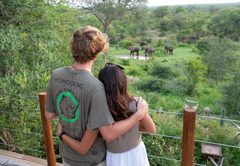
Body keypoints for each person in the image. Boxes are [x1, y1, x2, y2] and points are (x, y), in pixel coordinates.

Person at [45, 25, 148, 166]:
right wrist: (138, 115)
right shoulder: (96, 87)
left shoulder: (56, 74)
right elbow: (109, 134)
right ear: (97, 51)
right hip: (93, 160)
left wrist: (63, 131)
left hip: (67, 156)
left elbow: (49, 115)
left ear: (73, 48)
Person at [57, 63, 156, 166]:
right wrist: (135, 120)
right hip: (137, 153)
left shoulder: (98, 108)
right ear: (123, 82)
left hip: (114, 156)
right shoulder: (135, 104)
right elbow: (151, 129)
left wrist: (61, 133)